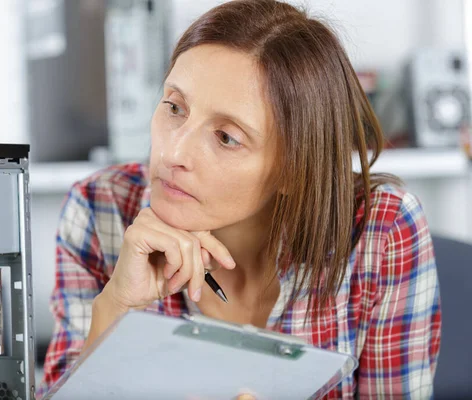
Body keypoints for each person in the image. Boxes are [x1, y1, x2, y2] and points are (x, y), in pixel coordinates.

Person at [37, 0, 441, 398]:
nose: (173, 155)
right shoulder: (99, 208)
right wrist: (115, 309)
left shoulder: (383, 229)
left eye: (227, 137)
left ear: (293, 168)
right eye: (174, 107)